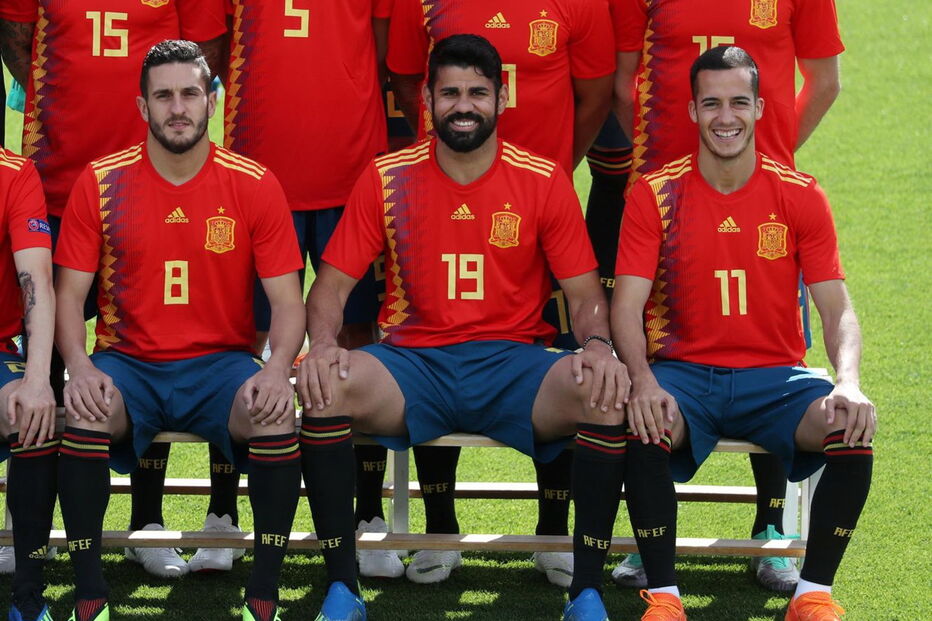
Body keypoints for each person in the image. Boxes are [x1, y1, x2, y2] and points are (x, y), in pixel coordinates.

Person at [296, 34, 630, 620]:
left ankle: (586, 593)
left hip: (512, 363)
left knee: (602, 394)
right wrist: (322, 344)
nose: (463, 105)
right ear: (426, 100)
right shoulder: (388, 176)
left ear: (501, 98)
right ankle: (343, 590)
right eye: (449, 93)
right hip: (415, 363)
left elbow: (585, 296)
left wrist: (600, 346)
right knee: (324, 388)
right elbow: (329, 288)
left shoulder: (542, 178)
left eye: (477, 92)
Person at [602, 46, 874, 621]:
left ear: (759, 109)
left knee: (851, 429)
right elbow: (625, 307)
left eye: (738, 103)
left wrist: (847, 381)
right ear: (693, 111)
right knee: (643, 422)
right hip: (683, 376)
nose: (726, 117)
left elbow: (837, 309)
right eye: (712, 104)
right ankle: (665, 598)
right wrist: (643, 380)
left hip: (777, 380)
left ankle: (811, 595)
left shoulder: (800, 193)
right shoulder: (654, 193)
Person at [53, 41, 305, 621]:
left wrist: (275, 368)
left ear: (211, 101)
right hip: (127, 362)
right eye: (163, 96)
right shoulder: (102, 181)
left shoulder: (253, 183)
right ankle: (90, 592)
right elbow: (67, 297)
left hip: (221, 365)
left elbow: (288, 303)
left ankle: (264, 592)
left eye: (190, 93)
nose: (177, 108)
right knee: (87, 410)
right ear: (143, 107)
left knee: (273, 413)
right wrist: (81, 368)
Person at [0, 0, 238, 578]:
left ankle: (148, 523)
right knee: (49, 356)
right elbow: (16, 37)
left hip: (145, 184)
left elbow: (202, 54)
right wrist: (63, 106)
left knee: (151, 341)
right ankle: (29, 526)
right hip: (53, 179)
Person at [384, 0, 616, 586]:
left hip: (539, 205)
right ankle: (440, 529)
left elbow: (595, 93)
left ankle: (553, 532)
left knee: (565, 359)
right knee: (435, 337)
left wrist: (553, 171)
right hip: (447, 189)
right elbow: (411, 81)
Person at [221, 0, 402, 579]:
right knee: (238, 340)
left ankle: (367, 514)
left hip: (351, 168)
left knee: (356, 342)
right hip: (255, 168)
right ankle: (224, 514)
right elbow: (215, 48)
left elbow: (378, 48)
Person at [0, 147, 57, 621]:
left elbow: (36, 276)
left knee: (32, 415)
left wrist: (37, 378)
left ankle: (28, 596)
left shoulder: (15, 174)